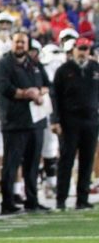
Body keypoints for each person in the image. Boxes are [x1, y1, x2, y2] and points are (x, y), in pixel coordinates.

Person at [0, 31, 51, 215]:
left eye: (23, 42)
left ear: (28, 45)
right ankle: (7, 203)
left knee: (33, 164)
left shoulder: (34, 63)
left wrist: (39, 93)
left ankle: (32, 200)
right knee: (11, 164)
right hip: (14, 122)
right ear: (12, 43)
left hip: (36, 121)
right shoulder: (3, 64)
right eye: (17, 42)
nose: (20, 45)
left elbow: (47, 84)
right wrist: (26, 94)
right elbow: (3, 88)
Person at [51, 37, 98, 210]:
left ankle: (82, 199)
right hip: (69, 121)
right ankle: (61, 198)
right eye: (80, 48)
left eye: (85, 49)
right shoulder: (63, 70)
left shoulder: (96, 68)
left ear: (89, 51)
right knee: (66, 159)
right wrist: (55, 120)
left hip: (91, 120)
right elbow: (54, 97)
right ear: (74, 50)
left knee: (87, 160)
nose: (82, 52)